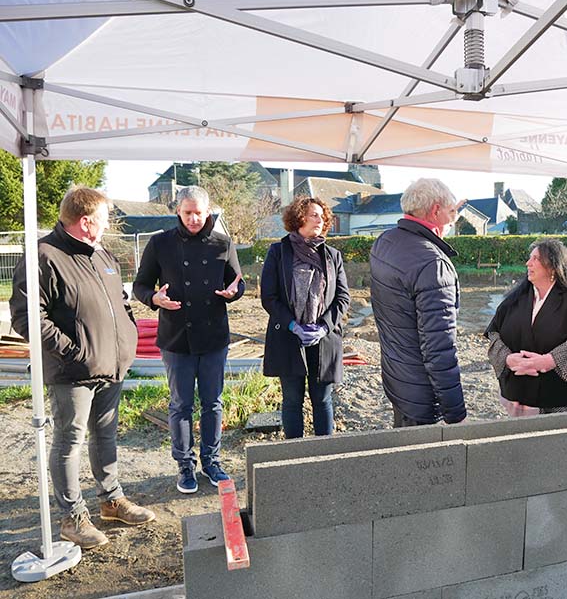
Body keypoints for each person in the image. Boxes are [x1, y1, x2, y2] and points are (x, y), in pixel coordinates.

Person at [10, 187, 155, 550]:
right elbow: (26, 316)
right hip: (72, 371)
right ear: (86, 222)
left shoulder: (103, 253)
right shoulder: (44, 255)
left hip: (112, 364)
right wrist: (72, 352)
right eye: (104, 221)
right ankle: (72, 517)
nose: (107, 228)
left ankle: (111, 500)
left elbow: (119, 302)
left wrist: (130, 334)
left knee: (105, 436)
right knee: (69, 441)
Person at [133, 186, 244, 494]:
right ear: (178, 212)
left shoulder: (223, 243)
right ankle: (185, 465)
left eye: (199, 213)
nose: (194, 218)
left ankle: (211, 461)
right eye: (188, 213)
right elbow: (140, 286)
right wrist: (154, 299)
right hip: (176, 337)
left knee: (213, 402)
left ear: (208, 212)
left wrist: (235, 292)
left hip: (213, 336)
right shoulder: (160, 244)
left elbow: (236, 281)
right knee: (181, 405)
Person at [370, 178, 466, 427]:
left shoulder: (384, 242)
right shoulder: (432, 264)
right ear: (435, 210)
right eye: (451, 211)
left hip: (395, 376)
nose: (453, 219)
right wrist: (455, 413)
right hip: (421, 393)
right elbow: (439, 347)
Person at [260, 197, 350, 439]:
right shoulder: (278, 252)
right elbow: (269, 297)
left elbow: (343, 298)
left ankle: (324, 455)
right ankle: (294, 455)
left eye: (322, 216)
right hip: (288, 337)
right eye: (314, 215)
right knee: (291, 400)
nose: (320, 220)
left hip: (324, 339)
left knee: (322, 400)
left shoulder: (332, 255)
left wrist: (323, 327)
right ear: (299, 217)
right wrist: (292, 325)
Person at [486, 239, 567, 416]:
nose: (528, 263)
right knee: (525, 441)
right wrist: (508, 359)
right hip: (520, 391)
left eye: (536, 259)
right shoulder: (515, 299)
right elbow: (494, 333)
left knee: (562, 442)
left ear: (554, 266)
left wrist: (547, 361)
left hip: (563, 394)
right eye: (529, 258)